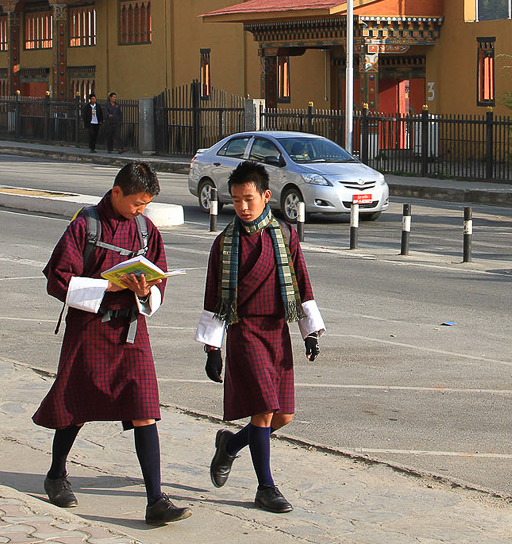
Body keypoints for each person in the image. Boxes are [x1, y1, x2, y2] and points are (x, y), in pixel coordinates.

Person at [33, 161, 191, 526]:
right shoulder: (85, 225)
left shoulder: (146, 230)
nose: (142, 210)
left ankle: (155, 500)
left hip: (132, 331)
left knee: (144, 407)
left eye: (146, 204)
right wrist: (110, 286)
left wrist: (146, 289)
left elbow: (159, 277)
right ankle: (56, 474)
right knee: (76, 403)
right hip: (89, 327)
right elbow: (57, 280)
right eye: (137, 202)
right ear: (117, 192)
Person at [196, 160, 324, 513]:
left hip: (276, 332)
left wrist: (309, 333)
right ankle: (266, 487)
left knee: (283, 417)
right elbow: (213, 298)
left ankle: (231, 446)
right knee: (264, 412)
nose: (243, 207)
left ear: (266, 196)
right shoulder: (224, 245)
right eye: (236, 200)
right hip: (245, 332)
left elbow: (300, 282)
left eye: (249, 199)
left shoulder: (284, 236)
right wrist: (212, 348)